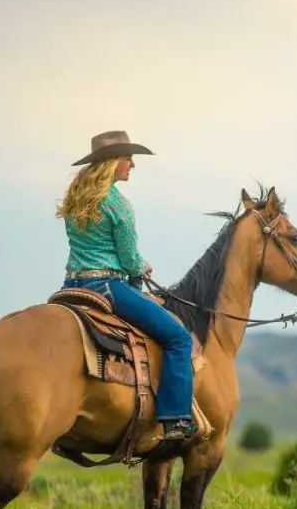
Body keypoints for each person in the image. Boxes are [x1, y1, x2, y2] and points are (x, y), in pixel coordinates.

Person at [58, 130, 195, 441]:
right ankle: (175, 418)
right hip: (107, 286)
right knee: (179, 339)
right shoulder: (119, 205)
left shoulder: (76, 199)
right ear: (111, 163)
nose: (132, 164)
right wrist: (140, 266)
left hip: (72, 285)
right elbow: (130, 260)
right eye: (127, 157)